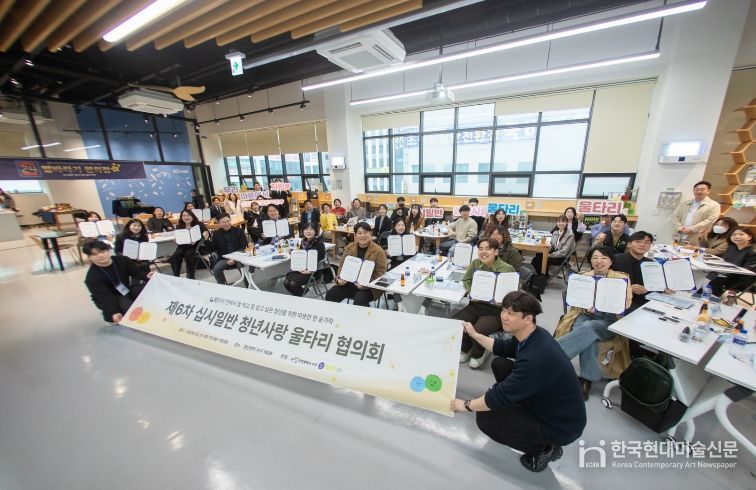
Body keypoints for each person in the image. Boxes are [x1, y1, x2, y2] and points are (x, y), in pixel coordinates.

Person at [450, 291, 586, 473]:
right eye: (503, 310)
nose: (504, 317)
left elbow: (498, 397)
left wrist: (465, 405)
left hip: (560, 425)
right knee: (500, 364)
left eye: (511, 313)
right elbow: (501, 347)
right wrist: (475, 334)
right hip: (548, 403)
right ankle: (526, 415)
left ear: (528, 318)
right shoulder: (533, 335)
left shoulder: (535, 358)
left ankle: (545, 449)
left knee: (485, 419)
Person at [555, 246, 633, 400]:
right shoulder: (583, 277)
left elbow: (626, 303)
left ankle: (552, 354)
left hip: (609, 320)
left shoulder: (621, 279)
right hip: (586, 315)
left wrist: (608, 305)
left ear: (611, 261)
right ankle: (586, 380)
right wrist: (585, 307)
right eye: (595, 258)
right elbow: (575, 302)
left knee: (588, 328)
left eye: (604, 258)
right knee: (588, 337)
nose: (599, 261)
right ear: (590, 261)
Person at [455, 238, 516, 369]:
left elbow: (513, 294)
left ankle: (479, 353)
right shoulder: (475, 263)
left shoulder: (507, 269)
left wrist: (502, 301)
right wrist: (471, 291)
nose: (483, 252)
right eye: (480, 249)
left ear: (496, 252)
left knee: (479, 329)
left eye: (487, 249)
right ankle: (465, 347)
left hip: (495, 310)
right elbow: (466, 280)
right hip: (476, 305)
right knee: (458, 322)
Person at [83, 239, 154, 323]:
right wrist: (114, 311)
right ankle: (109, 313)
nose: (100, 255)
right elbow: (104, 296)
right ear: (89, 257)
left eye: (103, 251)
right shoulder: (92, 277)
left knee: (148, 291)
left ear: (109, 251)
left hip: (127, 290)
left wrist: (146, 276)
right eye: (94, 254)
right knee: (132, 310)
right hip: (112, 297)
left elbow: (137, 272)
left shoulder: (122, 260)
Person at [325, 222, 387, 307]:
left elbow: (381, 274)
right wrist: (339, 279)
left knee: (360, 299)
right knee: (331, 295)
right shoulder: (350, 247)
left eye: (365, 232)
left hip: (370, 286)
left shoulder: (378, 251)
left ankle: (363, 316)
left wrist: (365, 285)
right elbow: (342, 266)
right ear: (355, 235)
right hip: (350, 282)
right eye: (359, 233)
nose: (362, 236)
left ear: (370, 233)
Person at [612, 231, 655, 312]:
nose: (642, 245)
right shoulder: (615, 260)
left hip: (645, 302)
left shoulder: (652, 264)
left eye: (646, 242)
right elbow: (604, 283)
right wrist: (628, 288)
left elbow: (656, 285)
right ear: (629, 244)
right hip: (620, 302)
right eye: (638, 241)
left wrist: (664, 288)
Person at [706, 227, 756, 296]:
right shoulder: (731, 248)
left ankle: (711, 297)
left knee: (715, 279)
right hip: (727, 274)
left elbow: (748, 274)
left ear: (749, 237)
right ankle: (702, 295)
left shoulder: (753, 252)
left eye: (741, 234)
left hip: (741, 280)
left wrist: (733, 289)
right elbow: (724, 262)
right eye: (734, 234)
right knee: (706, 275)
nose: (737, 236)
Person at [671, 180, 721, 246]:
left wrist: (691, 229)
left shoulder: (714, 205)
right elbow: (674, 216)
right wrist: (679, 227)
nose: (699, 191)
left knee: (691, 252)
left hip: (696, 237)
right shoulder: (685, 203)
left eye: (702, 189)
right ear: (693, 190)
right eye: (697, 189)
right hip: (679, 235)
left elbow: (711, 220)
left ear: (708, 191)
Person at [283, 223, 326, 296]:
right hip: (302, 268)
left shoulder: (319, 244)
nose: (308, 231)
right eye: (306, 229)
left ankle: (301, 297)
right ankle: (302, 294)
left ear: (315, 231)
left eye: (311, 229)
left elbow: (321, 261)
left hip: (314, 271)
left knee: (293, 284)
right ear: (302, 231)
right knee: (286, 282)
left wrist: (310, 271)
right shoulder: (303, 242)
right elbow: (300, 257)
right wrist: (292, 253)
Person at [208, 213, 247, 285]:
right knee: (216, 269)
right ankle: (223, 287)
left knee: (243, 268)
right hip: (224, 258)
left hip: (239, 257)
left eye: (228, 221)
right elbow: (212, 248)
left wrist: (234, 259)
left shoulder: (239, 231)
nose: (226, 224)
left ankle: (249, 287)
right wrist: (206, 239)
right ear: (219, 223)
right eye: (223, 222)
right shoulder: (216, 234)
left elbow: (243, 247)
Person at [170, 209, 210, 279]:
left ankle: (190, 274)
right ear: (181, 217)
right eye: (184, 216)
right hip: (184, 246)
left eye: (188, 215)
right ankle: (176, 275)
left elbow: (207, 235)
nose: (186, 217)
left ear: (192, 216)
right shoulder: (179, 226)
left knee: (189, 254)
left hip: (197, 246)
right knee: (176, 255)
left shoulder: (199, 224)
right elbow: (179, 240)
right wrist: (177, 240)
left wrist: (205, 234)